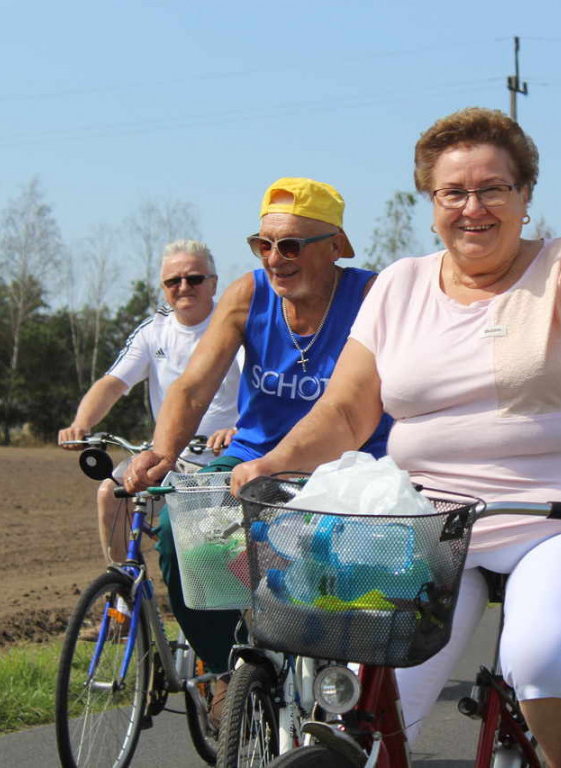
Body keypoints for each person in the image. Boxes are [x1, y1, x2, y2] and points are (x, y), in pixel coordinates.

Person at [232, 107, 561, 767]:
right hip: (431, 525)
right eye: (453, 192)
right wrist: (270, 462)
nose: (472, 207)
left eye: (492, 189)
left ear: (525, 196)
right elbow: (345, 410)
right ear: (431, 204)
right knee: (370, 708)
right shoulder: (400, 286)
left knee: (538, 657)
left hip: (558, 514)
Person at [123, 178, 393, 710]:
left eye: (290, 245)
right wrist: (162, 451)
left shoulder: (370, 296)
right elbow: (194, 385)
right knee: (183, 534)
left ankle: (350, 691)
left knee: (348, 575)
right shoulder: (248, 295)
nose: (275, 258)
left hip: (351, 462)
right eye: (262, 244)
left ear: (336, 245)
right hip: (253, 457)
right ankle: (231, 672)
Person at [58, 239, 241, 567]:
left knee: (202, 555)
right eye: (173, 281)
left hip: (223, 461)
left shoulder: (234, 326)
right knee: (111, 495)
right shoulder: (153, 332)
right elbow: (113, 383)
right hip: (166, 458)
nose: (183, 287)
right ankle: (126, 592)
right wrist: (81, 423)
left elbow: (258, 389)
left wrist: (236, 429)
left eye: (194, 278)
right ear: (163, 288)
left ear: (213, 283)